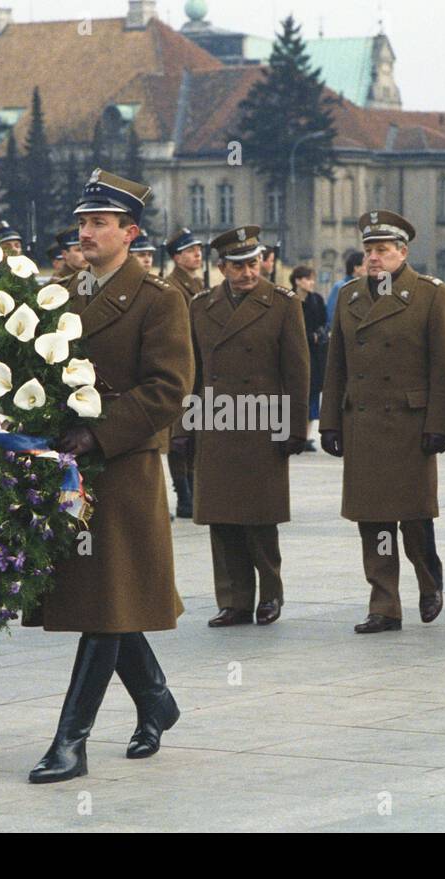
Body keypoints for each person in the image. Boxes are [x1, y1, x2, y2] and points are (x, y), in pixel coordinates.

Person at [26, 169, 193, 782]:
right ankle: (154, 698)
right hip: (70, 467)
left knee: (104, 604)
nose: (86, 232)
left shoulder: (159, 299)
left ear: (131, 233)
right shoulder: (63, 293)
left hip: (122, 468)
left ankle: (70, 742)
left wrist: (100, 431)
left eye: (99, 223)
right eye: (82, 222)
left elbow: (169, 388)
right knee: (106, 597)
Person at [319, 210, 445, 633]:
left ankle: (429, 580)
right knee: (372, 518)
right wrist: (330, 422)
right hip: (362, 422)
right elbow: (336, 364)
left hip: (410, 425)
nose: (374, 258)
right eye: (368, 251)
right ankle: (384, 604)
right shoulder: (349, 296)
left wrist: (440, 424)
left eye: (382, 250)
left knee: (414, 516)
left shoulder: (431, 294)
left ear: (403, 253)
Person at [188, 226, 309, 628]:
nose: (247, 273)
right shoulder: (200, 306)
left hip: (263, 422)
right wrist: (184, 427)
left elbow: (297, 371)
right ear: (221, 268)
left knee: (261, 517)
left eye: (253, 263)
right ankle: (234, 599)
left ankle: (270, 595)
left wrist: (295, 428)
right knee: (221, 518)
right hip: (216, 421)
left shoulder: (283, 305)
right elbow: (193, 372)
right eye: (238, 266)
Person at [162, 228, 205, 519]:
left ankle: (193, 487)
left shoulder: (198, 283)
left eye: (198, 250)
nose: (197, 254)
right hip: (182, 363)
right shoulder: (172, 286)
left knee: (195, 431)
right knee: (180, 434)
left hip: (200, 364)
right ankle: (184, 493)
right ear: (177, 257)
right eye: (191, 251)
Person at [291, 264, 328, 450]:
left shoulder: (317, 300)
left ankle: (305, 436)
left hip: (314, 355)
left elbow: (323, 323)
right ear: (298, 280)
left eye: (313, 279)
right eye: (307, 279)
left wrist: (319, 335)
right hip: (295, 353)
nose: (311, 283)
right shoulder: (290, 300)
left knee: (312, 395)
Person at [325, 249, 364, 331]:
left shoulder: (365, 286)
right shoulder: (341, 287)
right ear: (356, 268)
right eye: (366, 265)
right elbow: (332, 314)